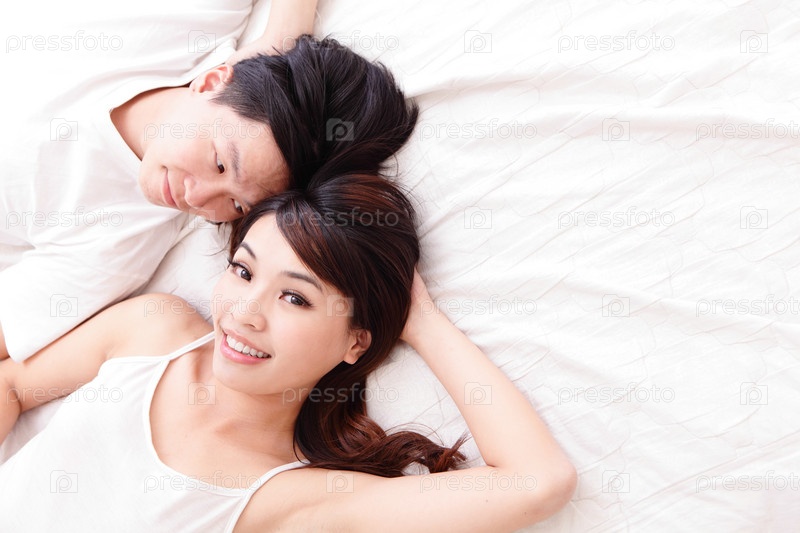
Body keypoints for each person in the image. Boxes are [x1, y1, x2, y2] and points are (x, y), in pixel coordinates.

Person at [0, 174, 576, 531]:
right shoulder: (154, 330)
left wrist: (422, 322)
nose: (246, 313)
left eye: (295, 298)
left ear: (356, 341)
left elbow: (538, 482)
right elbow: (14, 385)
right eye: (243, 271)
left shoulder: (291, 502)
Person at [0, 0, 419, 362]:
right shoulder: (185, 24)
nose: (198, 199)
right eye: (219, 164)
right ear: (212, 81)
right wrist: (284, 34)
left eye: (236, 206)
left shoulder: (116, 246)